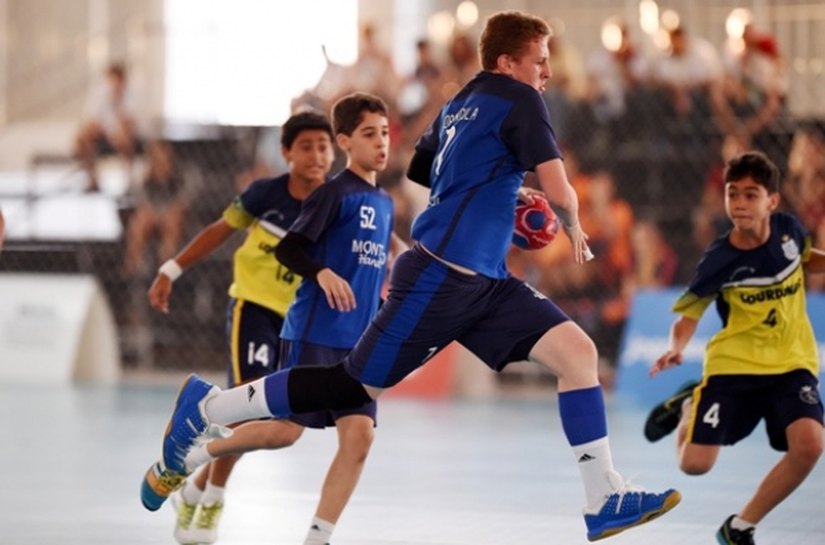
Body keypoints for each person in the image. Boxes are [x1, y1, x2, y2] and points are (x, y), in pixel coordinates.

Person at [142, 12, 680, 542]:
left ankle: (602, 498)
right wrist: (572, 222)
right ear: (507, 62)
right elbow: (559, 188)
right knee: (350, 386)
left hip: (488, 282)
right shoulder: (520, 98)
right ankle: (209, 406)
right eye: (539, 61)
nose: (547, 72)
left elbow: (425, 169)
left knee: (577, 353)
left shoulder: (456, 104)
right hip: (441, 278)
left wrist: (498, 189)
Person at [145, 111, 336, 544]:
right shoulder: (265, 194)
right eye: (305, 146)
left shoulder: (336, 202)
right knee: (252, 406)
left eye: (324, 146)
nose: (316, 154)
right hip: (253, 309)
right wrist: (171, 270)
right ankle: (211, 498)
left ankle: (195, 488)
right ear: (286, 152)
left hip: (297, 322)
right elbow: (218, 231)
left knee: (264, 418)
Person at [644, 151, 825, 545]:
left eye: (751, 194)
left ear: (772, 201)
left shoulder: (789, 230)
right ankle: (690, 405)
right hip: (735, 368)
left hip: (792, 363)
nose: (740, 204)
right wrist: (677, 348)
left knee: (810, 444)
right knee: (694, 465)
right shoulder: (719, 260)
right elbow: (688, 315)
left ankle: (739, 527)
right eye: (733, 194)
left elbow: (803, 259)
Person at [74, 62, 145, 192]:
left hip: (125, 137)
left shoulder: (132, 95)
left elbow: (129, 123)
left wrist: (116, 103)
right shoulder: (99, 94)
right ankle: (93, 179)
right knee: (82, 139)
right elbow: (92, 121)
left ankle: (129, 179)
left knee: (124, 137)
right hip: (104, 135)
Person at [122, 140, 188, 278]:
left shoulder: (182, 175)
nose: (160, 163)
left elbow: (184, 201)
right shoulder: (144, 177)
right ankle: (133, 267)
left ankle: (166, 270)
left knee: (173, 220)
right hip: (152, 214)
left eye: (163, 159)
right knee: (140, 220)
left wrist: (167, 212)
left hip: (173, 215)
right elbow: (141, 201)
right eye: (156, 160)